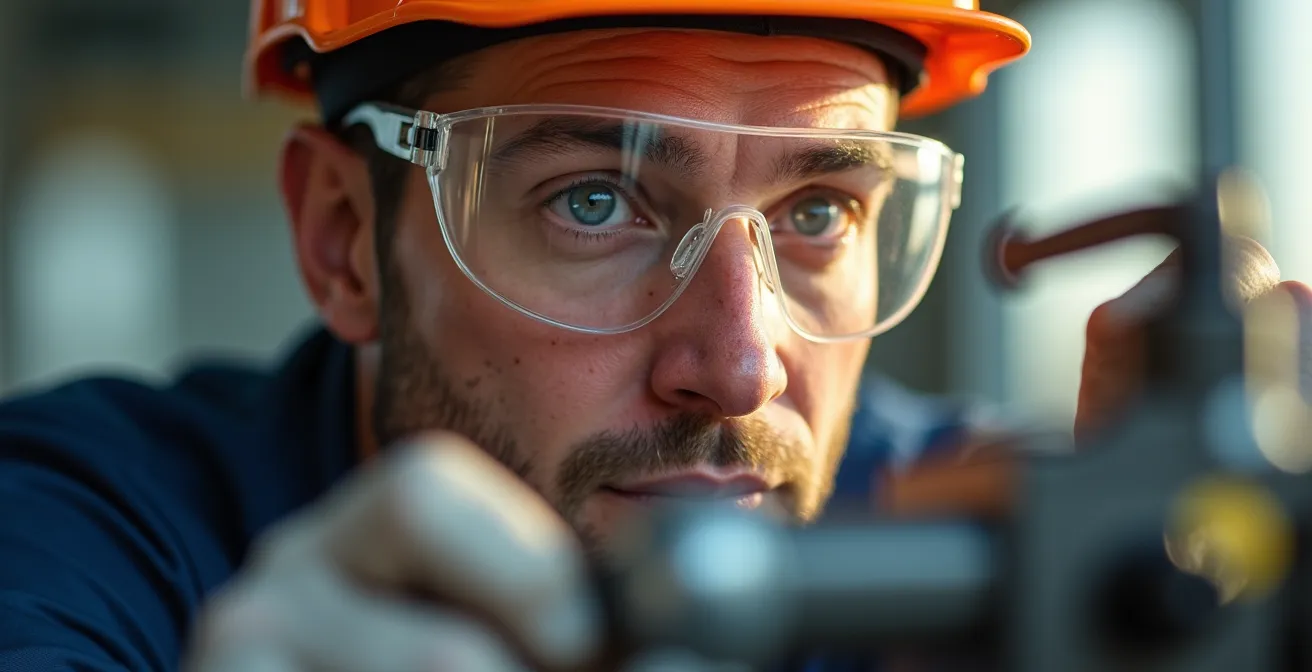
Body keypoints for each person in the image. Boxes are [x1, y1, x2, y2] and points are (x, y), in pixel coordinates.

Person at [0, 1, 1302, 670]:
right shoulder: (85, 537)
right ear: (345, 239)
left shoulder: (972, 551)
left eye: (819, 212)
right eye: (595, 201)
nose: (739, 366)